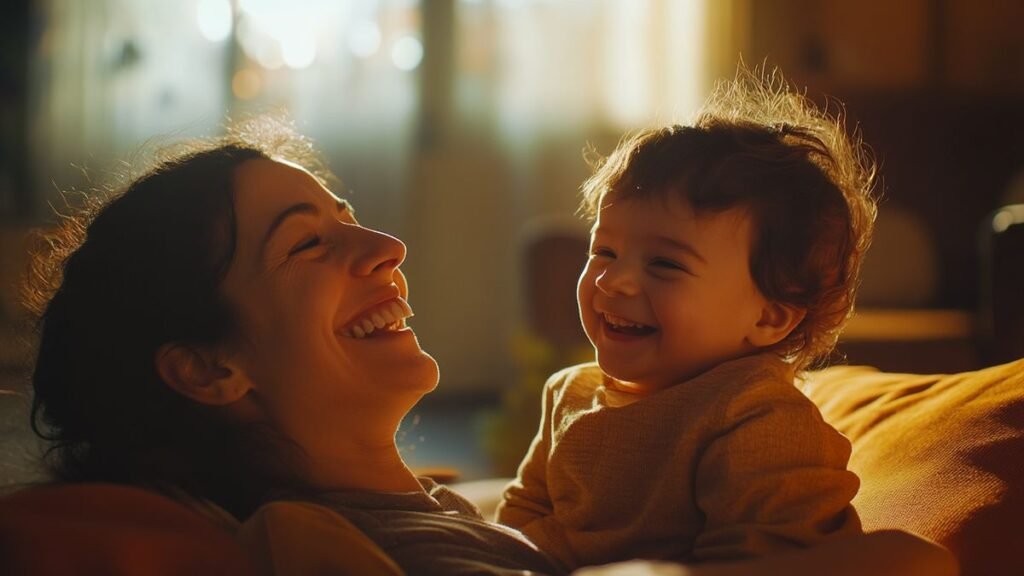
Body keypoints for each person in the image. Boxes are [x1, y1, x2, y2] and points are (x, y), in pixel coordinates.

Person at [22, 116, 954, 576]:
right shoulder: (320, 544)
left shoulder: (446, 509)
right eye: (307, 242)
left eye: (351, 219)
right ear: (207, 366)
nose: (386, 247)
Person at [497, 68, 877, 572]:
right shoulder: (569, 392)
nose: (614, 282)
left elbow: (766, 561)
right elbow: (521, 514)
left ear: (769, 316)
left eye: (665, 264)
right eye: (604, 251)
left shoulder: (758, 421)